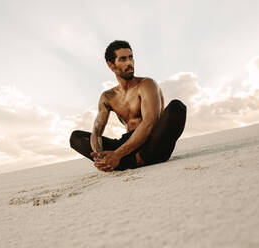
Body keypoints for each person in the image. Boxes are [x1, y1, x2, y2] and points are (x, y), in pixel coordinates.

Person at [69, 40, 186, 172]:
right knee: (76, 137)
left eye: (131, 57)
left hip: (153, 143)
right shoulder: (108, 97)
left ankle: (132, 160)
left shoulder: (146, 84)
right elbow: (97, 131)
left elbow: (149, 124)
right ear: (111, 65)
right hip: (127, 145)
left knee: (177, 107)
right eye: (123, 59)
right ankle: (123, 161)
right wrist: (100, 157)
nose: (129, 63)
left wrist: (117, 154)